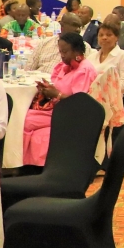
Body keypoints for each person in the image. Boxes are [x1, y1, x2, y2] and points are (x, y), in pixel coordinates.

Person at [22, 32, 96, 166]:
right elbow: (60, 87)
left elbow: (80, 103)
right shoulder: (66, 65)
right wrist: (48, 89)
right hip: (57, 110)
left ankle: (22, 163)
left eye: (65, 52)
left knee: (26, 121)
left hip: (70, 115)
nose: (62, 55)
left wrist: (57, 94)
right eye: (60, 51)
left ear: (77, 51)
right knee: (22, 116)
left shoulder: (84, 70)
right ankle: (22, 162)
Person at [28, 12, 92, 73]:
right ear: (62, 25)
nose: (78, 29)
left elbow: (84, 73)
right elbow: (29, 69)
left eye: (79, 27)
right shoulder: (45, 43)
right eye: (74, 25)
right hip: (39, 78)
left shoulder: (84, 47)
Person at [88, 16, 124, 96]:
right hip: (91, 95)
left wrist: (104, 87)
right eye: (101, 35)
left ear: (117, 37)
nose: (104, 38)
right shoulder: (92, 56)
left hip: (112, 97)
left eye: (109, 35)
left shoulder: (123, 56)